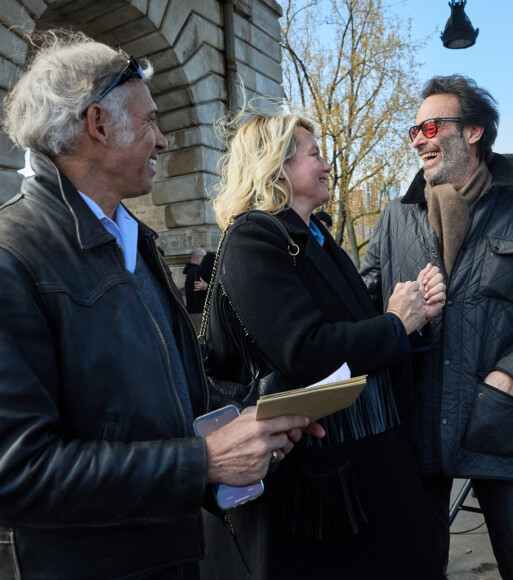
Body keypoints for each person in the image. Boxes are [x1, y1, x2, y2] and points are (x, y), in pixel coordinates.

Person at [0, 30, 323, 580]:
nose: (164, 140)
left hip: (170, 556)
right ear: (98, 124)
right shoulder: (14, 255)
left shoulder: (135, 241)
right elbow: (18, 473)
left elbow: (160, 404)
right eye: (150, 121)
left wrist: (250, 419)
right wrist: (204, 461)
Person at [200, 110, 447, 580]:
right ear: (276, 168)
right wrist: (395, 324)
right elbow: (305, 349)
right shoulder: (253, 238)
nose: (328, 165)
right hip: (320, 485)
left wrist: (410, 318)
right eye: (315, 155)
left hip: (366, 460)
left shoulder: (316, 237)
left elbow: (354, 334)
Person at [360, 74, 513, 580]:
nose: (418, 138)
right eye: (413, 129)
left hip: (495, 421)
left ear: (475, 131)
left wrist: (511, 379)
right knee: (418, 565)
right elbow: (359, 303)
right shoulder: (396, 218)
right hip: (415, 423)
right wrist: (392, 314)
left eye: (431, 125)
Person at [183, 246, 206, 329]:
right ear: (197, 258)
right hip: (199, 314)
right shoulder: (197, 271)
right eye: (204, 257)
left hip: (192, 313)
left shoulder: (190, 271)